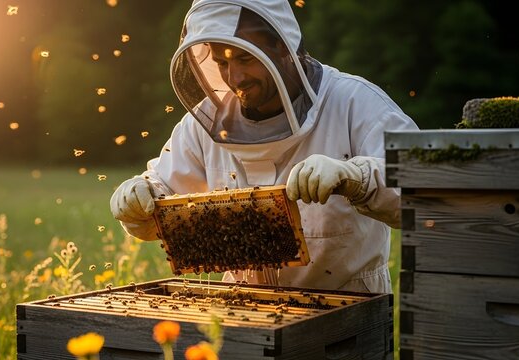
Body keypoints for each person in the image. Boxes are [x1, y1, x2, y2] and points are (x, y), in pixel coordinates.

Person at [110, 0, 419, 293]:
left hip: (346, 311)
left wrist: (356, 178)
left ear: (284, 48)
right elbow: (161, 198)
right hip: (243, 310)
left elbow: (423, 191)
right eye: (221, 62)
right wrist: (139, 200)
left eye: (245, 58)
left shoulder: (353, 102)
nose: (235, 77)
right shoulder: (206, 124)